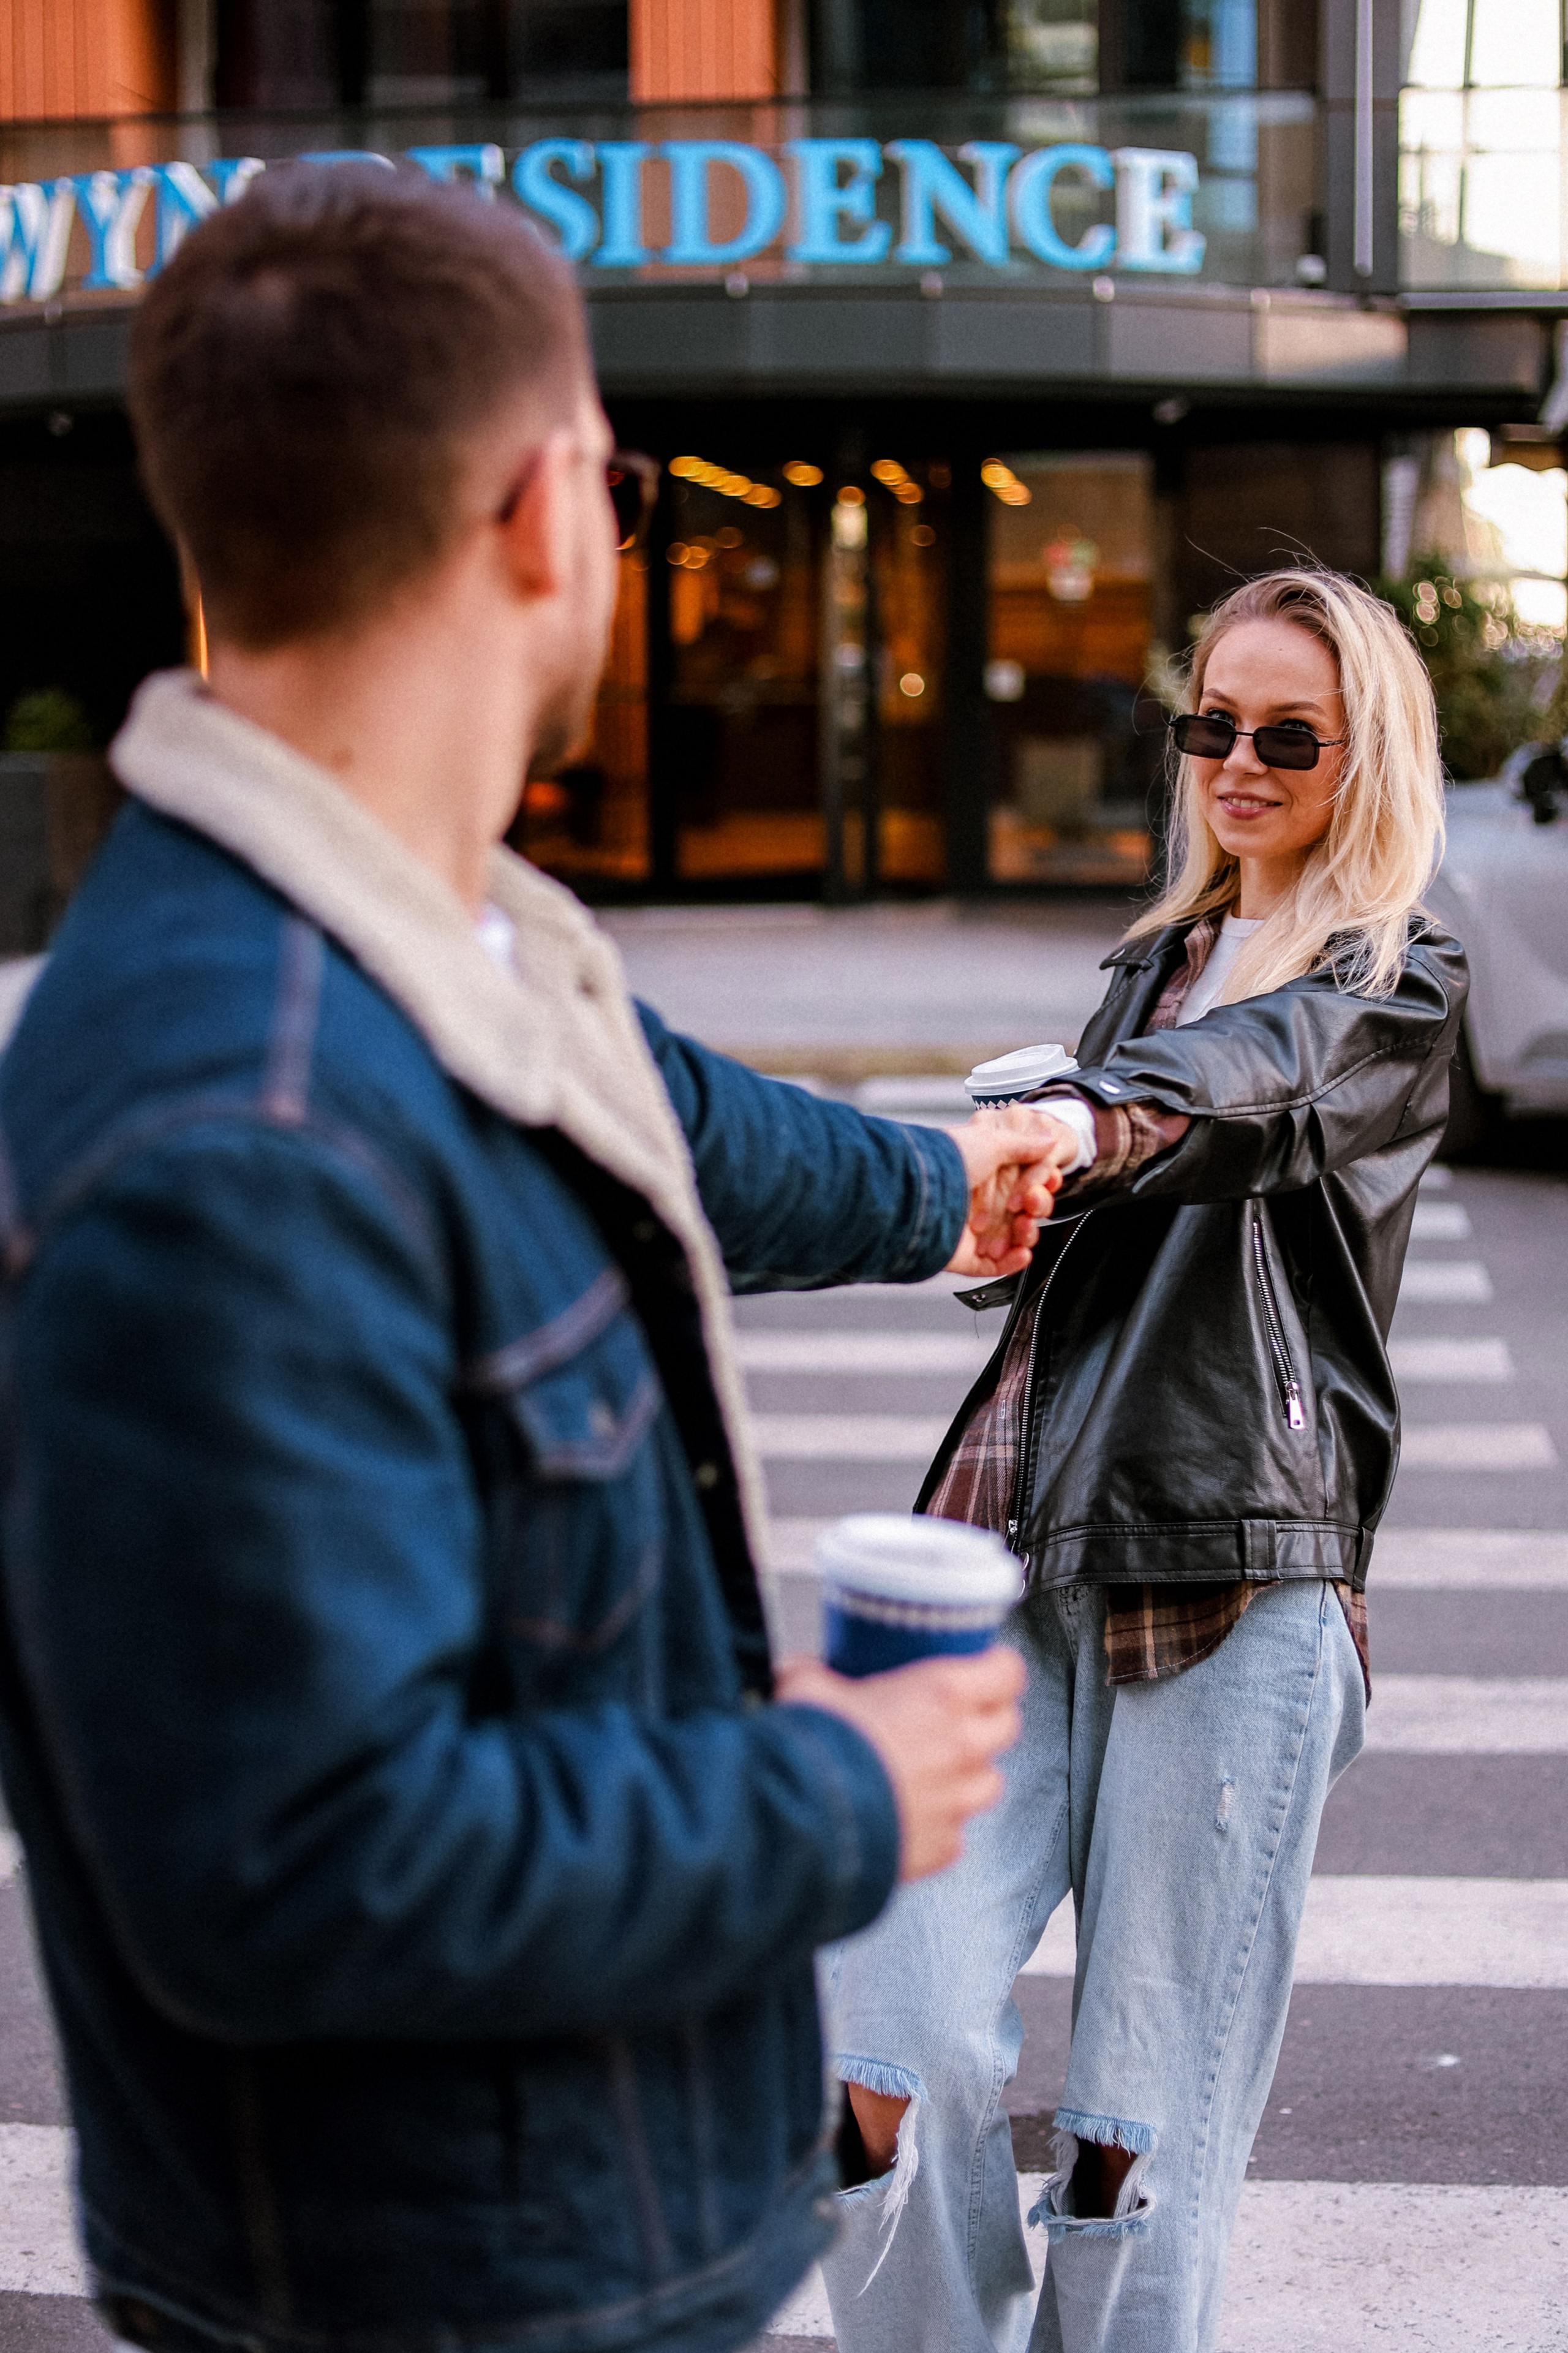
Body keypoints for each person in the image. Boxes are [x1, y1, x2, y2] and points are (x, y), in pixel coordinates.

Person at [0, 163, 1086, 2353]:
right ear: (538, 508)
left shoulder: (425, 932)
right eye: (616, 469)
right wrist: (830, 1789)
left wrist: (947, 1180)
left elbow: (652, 1110)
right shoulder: (245, 1119)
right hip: (459, 2291)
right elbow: (307, 1861)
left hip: (568, 2231)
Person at [820, 568, 1468, 2353]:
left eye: (1286, 736)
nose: (1236, 764)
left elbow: (1257, 1090)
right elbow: (1108, 1226)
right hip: (1019, 1538)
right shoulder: (1145, 964)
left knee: (1131, 2139)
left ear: (1368, 754)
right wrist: (1012, 1214)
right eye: (1211, 728)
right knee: (877, 2059)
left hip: (1232, 1567)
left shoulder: (1391, 975)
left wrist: (1098, 1117)